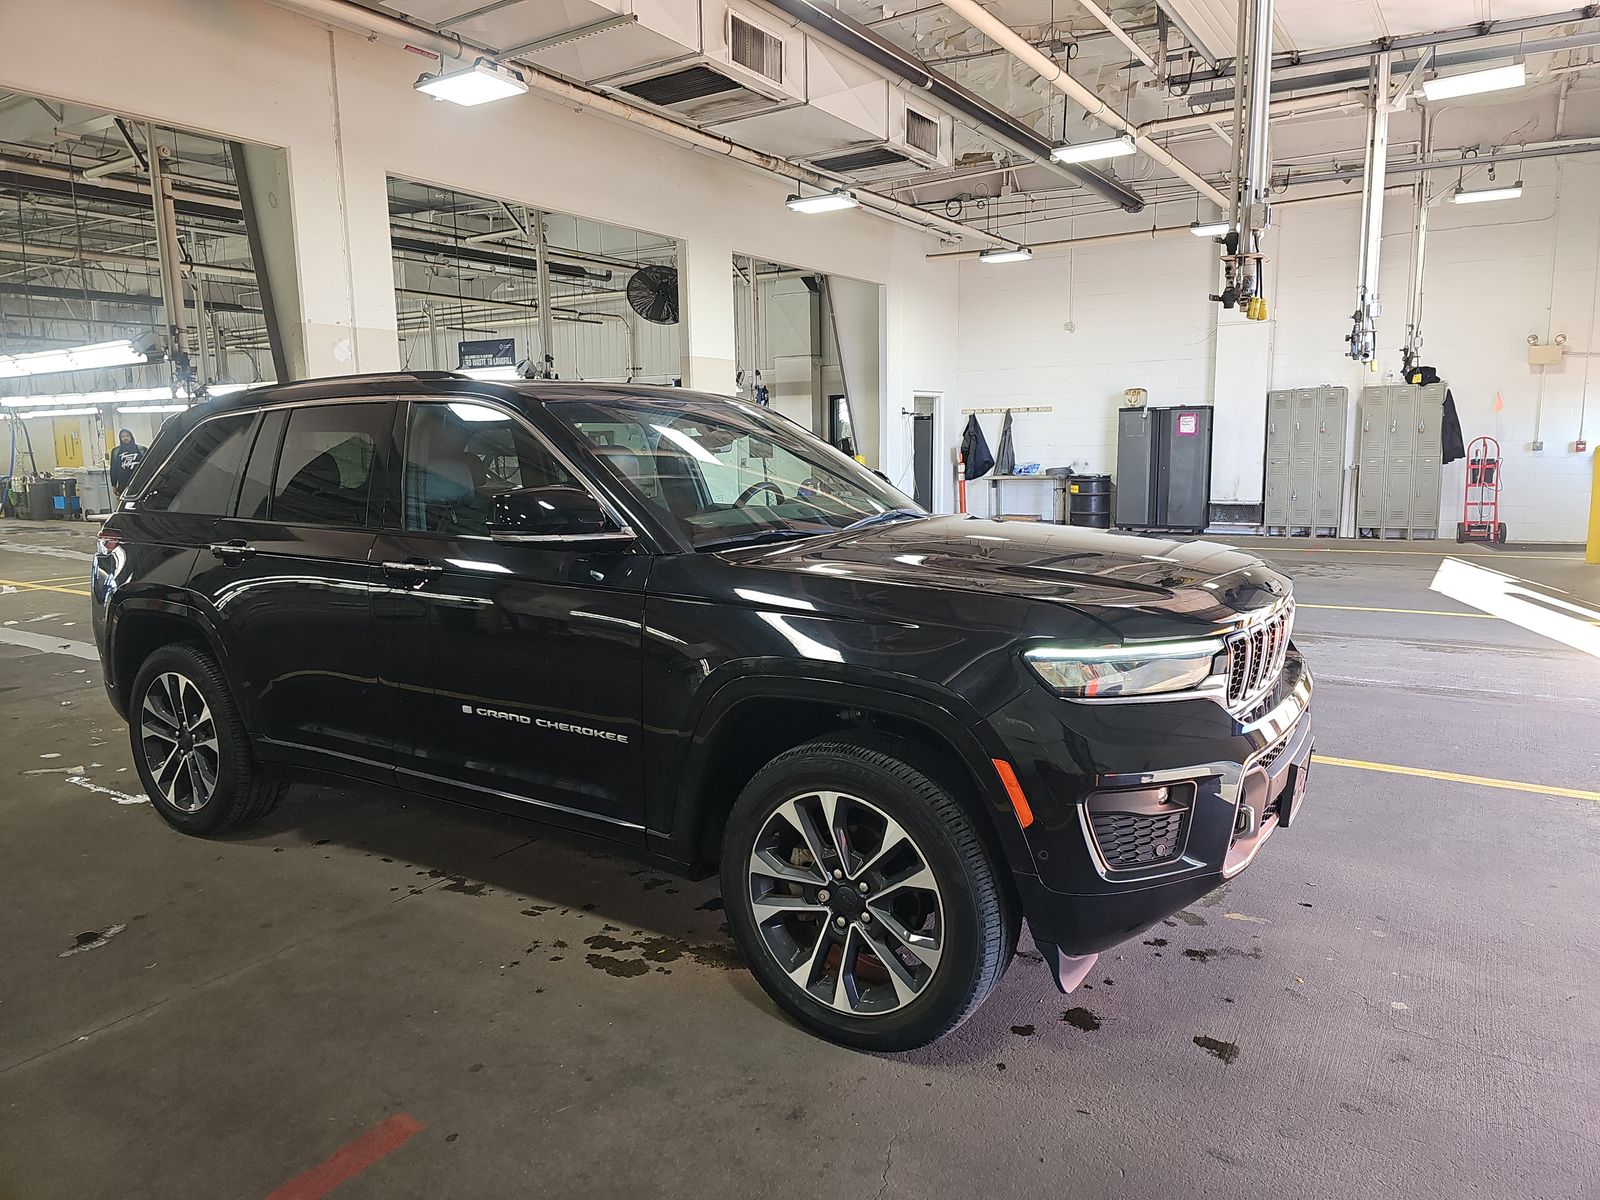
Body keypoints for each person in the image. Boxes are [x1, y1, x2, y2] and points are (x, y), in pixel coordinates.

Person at [109, 428, 145, 497]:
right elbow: (113, 469)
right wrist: (113, 485)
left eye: (127, 436)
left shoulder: (141, 449)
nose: (125, 438)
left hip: (139, 483)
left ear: (131, 437)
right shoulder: (116, 451)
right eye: (123, 436)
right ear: (120, 438)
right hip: (123, 484)